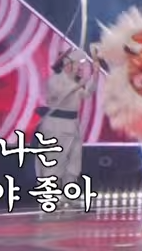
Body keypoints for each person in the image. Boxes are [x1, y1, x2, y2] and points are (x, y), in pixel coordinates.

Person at [35, 45, 100, 200]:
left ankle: (70, 194)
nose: (80, 68)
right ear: (67, 65)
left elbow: (87, 93)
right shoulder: (54, 81)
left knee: (73, 162)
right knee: (54, 161)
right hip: (56, 125)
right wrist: (80, 83)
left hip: (72, 125)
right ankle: (50, 195)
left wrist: (95, 75)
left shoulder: (74, 83)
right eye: (77, 64)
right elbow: (60, 96)